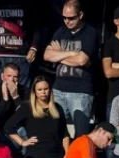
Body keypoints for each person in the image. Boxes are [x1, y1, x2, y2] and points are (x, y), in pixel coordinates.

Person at [43, 0, 98, 137]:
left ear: (80, 15)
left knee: (81, 135)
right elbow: (47, 55)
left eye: (71, 18)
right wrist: (71, 53)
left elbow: (82, 60)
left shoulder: (90, 33)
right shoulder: (61, 31)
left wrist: (59, 55)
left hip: (80, 91)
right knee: (53, 131)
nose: (67, 21)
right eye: (64, 17)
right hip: (58, 89)